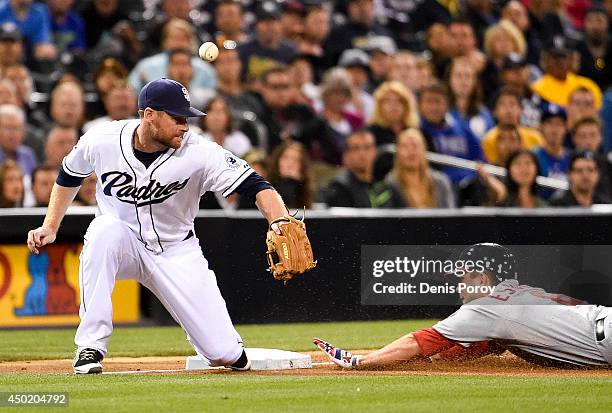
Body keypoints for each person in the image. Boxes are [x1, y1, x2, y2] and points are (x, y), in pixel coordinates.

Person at [26, 78, 298, 374]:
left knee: (224, 354)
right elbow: (69, 175)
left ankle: (228, 347)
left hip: (176, 250)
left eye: (187, 118)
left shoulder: (199, 151)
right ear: (149, 115)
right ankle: (90, 346)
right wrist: (50, 226)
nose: (185, 125)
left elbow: (256, 185)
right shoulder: (103, 138)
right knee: (103, 231)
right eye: (177, 117)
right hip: (124, 242)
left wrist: (280, 220)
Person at [315, 243, 612, 369]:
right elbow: (488, 344)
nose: (458, 285)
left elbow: (419, 340)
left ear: (482, 277)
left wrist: (363, 361)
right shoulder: (516, 294)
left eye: (463, 276)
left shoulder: (485, 307)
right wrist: (435, 361)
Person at [321, 129, 403, 208]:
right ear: (346, 154)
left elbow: (404, 216)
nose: (362, 154)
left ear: (375, 151)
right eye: (356, 148)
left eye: (367, 147)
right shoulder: (340, 187)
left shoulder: (387, 184)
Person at [386, 128, 456, 209]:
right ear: (398, 152)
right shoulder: (389, 184)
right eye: (405, 146)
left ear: (424, 149)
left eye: (415, 146)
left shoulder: (441, 182)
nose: (411, 151)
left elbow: (450, 217)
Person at [266, 140, 314, 209]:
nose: (290, 164)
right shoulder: (265, 185)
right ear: (277, 161)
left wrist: (292, 182)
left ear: (302, 167)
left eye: (296, 160)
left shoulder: (307, 191)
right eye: (285, 158)